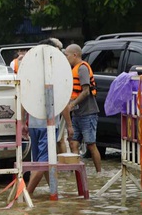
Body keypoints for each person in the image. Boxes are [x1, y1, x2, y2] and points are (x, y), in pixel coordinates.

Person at [24, 38, 73, 195]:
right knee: (43, 162)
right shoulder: (55, 73)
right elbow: (62, 101)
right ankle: (25, 195)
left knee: (38, 162)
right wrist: (70, 125)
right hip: (48, 126)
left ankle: (54, 191)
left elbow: (24, 96)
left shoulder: (30, 71)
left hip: (33, 123)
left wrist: (23, 121)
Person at [65, 43, 102, 172]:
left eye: (67, 55)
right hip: (77, 115)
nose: (66, 57)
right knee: (73, 143)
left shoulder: (82, 68)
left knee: (91, 145)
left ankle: (99, 173)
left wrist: (72, 104)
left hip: (88, 113)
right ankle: (76, 174)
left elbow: (86, 91)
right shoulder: (73, 69)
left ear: (75, 55)